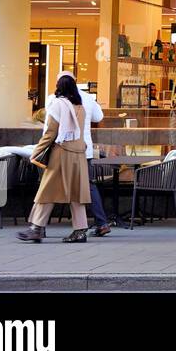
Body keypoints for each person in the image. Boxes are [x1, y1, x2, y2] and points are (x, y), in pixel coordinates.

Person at [17, 75, 91, 243]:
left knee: (47, 190)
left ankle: (36, 228)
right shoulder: (81, 107)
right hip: (79, 154)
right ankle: (80, 231)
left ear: (59, 87)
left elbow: (50, 133)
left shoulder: (57, 104)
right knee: (76, 194)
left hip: (61, 153)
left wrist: (37, 152)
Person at [57, 72, 111, 238]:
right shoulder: (87, 98)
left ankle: (39, 225)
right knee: (88, 185)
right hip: (85, 149)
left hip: (65, 149)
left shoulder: (58, 99)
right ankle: (100, 223)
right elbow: (99, 116)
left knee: (53, 184)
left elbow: (52, 124)